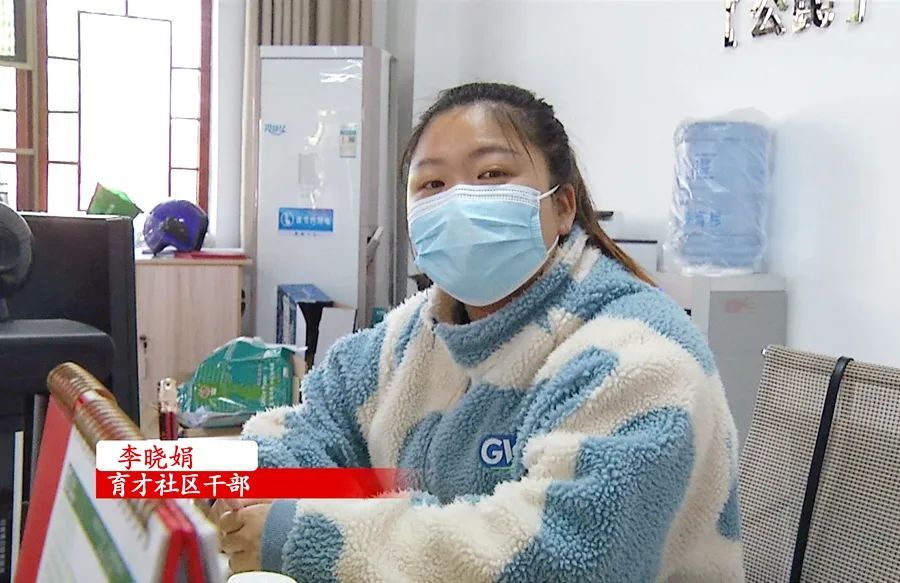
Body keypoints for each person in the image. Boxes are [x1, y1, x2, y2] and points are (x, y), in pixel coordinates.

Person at [213, 82, 744, 582]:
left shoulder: (638, 356)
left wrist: (298, 536)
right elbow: (318, 427)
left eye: (492, 174)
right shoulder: (414, 334)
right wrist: (244, 485)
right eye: (432, 185)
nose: (459, 203)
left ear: (562, 207)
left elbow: (557, 559)